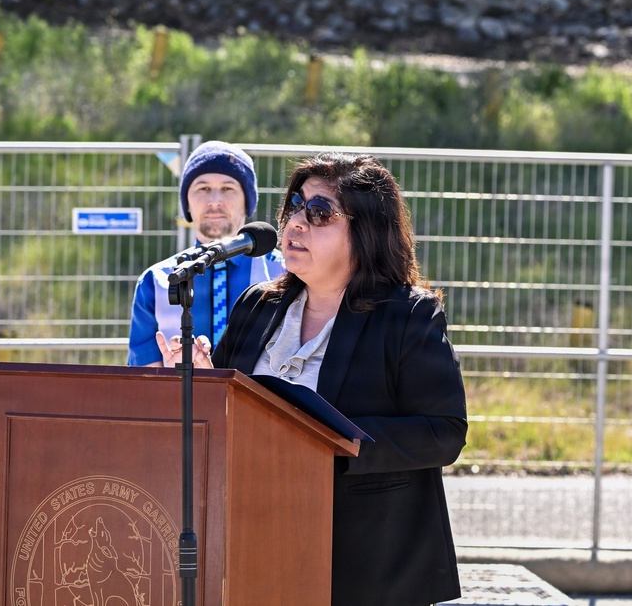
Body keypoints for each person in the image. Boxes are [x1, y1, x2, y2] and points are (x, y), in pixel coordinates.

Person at [155, 152, 468, 605]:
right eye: (294, 208)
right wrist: (204, 385)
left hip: (365, 563)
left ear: (365, 231)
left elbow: (444, 433)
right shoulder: (257, 306)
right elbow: (230, 418)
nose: (297, 223)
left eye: (319, 213)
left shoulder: (408, 315)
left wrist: (322, 443)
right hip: (253, 540)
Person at [127, 140, 285, 367]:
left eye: (228, 188)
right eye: (203, 188)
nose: (214, 201)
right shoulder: (156, 281)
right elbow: (144, 384)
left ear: (248, 202)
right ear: (187, 204)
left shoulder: (284, 272)